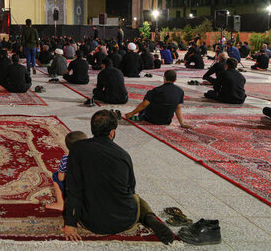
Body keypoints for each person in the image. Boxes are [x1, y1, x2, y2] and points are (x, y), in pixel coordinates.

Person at [61, 110, 175, 244]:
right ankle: (148, 217)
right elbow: (130, 188)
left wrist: (70, 223)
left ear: (92, 129)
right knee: (136, 198)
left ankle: (147, 216)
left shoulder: (78, 148)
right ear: (112, 132)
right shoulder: (123, 155)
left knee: (74, 190)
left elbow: (73, 188)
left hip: (92, 222)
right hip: (125, 219)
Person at [125, 70, 192, 128]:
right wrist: (182, 123)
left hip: (151, 119)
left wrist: (131, 113)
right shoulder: (180, 91)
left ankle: (141, 116)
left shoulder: (157, 90)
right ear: (175, 80)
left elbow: (144, 105)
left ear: (164, 78)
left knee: (149, 96)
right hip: (166, 121)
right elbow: (178, 108)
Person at [45, 131, 88, 211]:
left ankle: (60, 203)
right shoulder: (91, 157)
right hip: (88, 188)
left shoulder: (66, 159)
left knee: (56, 175)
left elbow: (61, 178)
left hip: (72, 188)